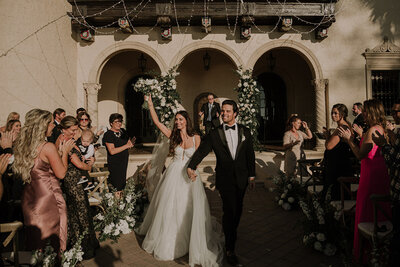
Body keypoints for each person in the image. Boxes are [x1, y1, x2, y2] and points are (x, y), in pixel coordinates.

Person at [137, 95, 223, 267]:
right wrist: (151, 104)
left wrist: (193, 171)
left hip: (190, 175)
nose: (177, 122)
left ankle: (192, 240)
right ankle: (171, 241)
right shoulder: (173, 136)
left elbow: (198, 156)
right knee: (170, 208)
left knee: (188, 207)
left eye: (180, 119)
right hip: (173, 175)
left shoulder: (196, 136)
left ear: (186, 121)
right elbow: (158, 123)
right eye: (176, 120)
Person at [187, 99, 255, 267]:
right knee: (229, 209)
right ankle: (230, 248)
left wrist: (252, 175)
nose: (224, 113)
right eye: (223, 111)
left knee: (237, 210)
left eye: (228, 111)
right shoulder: (214, 133)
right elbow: (202, 150)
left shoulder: (245, 131)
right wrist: (191, 165)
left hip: (241, 178)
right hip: (224, 179)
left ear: (235, 113)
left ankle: (231, 233)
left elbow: (249, 154)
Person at [12, 109, 74, 253]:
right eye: (52, 123)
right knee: (53, 240)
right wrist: (64, 152)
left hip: (29, 197)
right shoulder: (48, 147)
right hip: (49, 198)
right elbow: (61, 174)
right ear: (43, 125)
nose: (54, 126)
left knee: (35, 240)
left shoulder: (23, 146)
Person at [338, 99, 391, 262]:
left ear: (373, 112)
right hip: (380, 174)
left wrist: (349, 140)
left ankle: (365, 253)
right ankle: (381, 252)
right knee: (378, 209)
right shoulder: (380, 129)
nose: (364, 114)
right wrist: (361, 135)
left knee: (366, 210)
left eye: (366, 111)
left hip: (370, 176)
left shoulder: (371, 131)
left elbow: (361, 155)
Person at [56, 116, 99, 259]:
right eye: (73, 130)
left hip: (77, 179)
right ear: (63, 129)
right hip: (72, 180)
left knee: (78, 211)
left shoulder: (70, 140)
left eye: (76, 130)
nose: (75, 133)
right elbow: (78, 164)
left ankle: (81, 244)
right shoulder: (63, 141)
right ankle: (84, 246)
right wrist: (90, 165)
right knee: (80, 212)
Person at [371, 101, 400, 266]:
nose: (395, 114)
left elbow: (394, 161)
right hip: (395, 191)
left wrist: (384, 145)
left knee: (397, 241)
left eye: (398, 111)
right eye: (393, 111)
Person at [322, 104, 354, 200]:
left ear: (342, 114)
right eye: (332, 113)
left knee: (336, 193)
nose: (333, 115)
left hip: (337, 166)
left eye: (336, 113)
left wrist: (327, 136)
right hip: (339, 164)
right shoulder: (344, 126)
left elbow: (329, 146)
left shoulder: (342, 128)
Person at [102, 113, 134, 195]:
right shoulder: (108, 134)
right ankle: (116, 206)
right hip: (115, 163)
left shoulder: (123, 131)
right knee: (116, 186)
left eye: (120, 122)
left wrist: (130, 143)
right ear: (111, 123)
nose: (119, 124)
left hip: (123, 161)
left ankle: (121, 205)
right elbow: (112, 151)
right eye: (116, 122)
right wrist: (126, 146)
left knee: (122, 185)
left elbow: (127, 143)